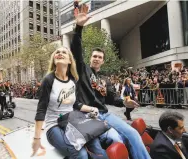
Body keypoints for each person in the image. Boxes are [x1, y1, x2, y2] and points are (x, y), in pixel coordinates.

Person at [71, 7, 151, 159]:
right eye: (94, 56)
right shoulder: (82, 70)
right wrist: (79, 27)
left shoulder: (105, 79)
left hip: (105, 114)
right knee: (116, 140)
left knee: (132, 133)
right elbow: (76, 50)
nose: (96, 58)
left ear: (103, 60)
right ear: (90, 58)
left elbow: (112, 98)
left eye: (100, 57)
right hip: (89, 115)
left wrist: (124, 103)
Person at [31, 47, 108, 159]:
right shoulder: (48, 80)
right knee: (80, 154)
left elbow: (75, 104)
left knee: (96, 145)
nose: (60, 53)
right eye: (57, 52)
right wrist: (37, 139)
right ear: (54, 59)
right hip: (54, 125)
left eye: (64, 52)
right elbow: (41, 110)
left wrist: (92, 109)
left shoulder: (73, 80)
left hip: (72, 120)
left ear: (70, 61)